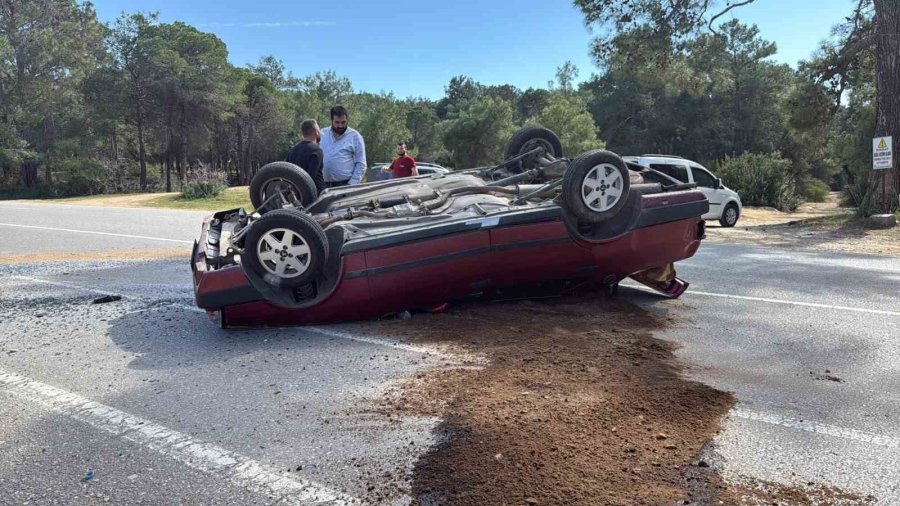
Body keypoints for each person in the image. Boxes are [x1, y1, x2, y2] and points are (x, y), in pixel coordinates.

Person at [320, 106, 367, 187]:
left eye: (343, 122)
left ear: (347, 120)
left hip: (345, 185)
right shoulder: (322, 134)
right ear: (331, 120)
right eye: (337, 122)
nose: (340, 126)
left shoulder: (355, 136)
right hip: (322, 185)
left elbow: (361, 163)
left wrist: (351, 184)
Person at [286, 119, 325, 194]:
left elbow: (287, 173)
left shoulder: (292, 150)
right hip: (315, 194)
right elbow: (310, 177)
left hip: (297, 195)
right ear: (315, 131)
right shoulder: (316, 150)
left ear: (302, 133)